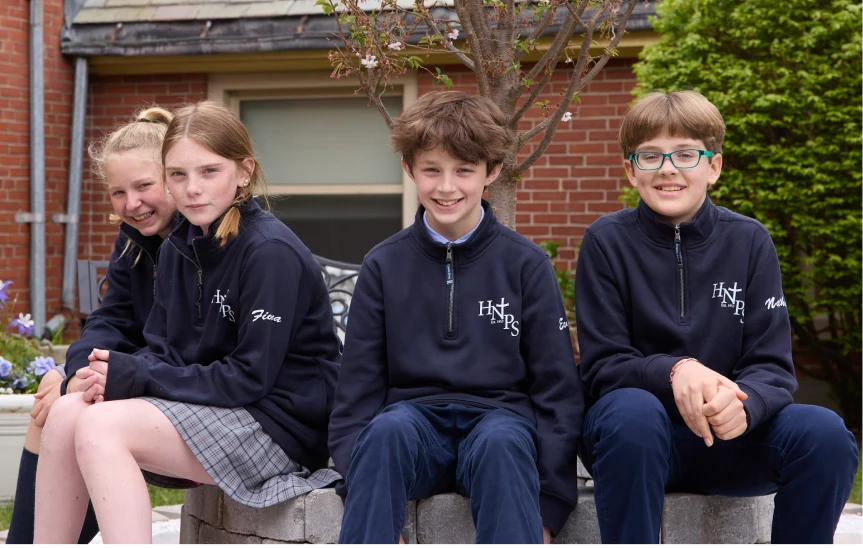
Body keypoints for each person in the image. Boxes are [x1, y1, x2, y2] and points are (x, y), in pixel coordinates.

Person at [33, 100, 341, 546]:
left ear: (243, 172)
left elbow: (249, 378)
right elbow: (165, 351)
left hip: (278, 428)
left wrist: (138, 376)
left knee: (101, 427)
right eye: (178, 174)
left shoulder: (269, 252)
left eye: (209, 171)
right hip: (212, 411)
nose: (192, 189)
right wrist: (103, 374)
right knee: (65, 413)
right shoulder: (181, 244)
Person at [575, 90, 859, 545]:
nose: (668, 168)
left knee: (824, 433)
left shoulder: (749, 241)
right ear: (631, 171)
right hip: (635, 441)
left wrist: (746, 407)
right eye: (650, 156)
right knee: (632, 413)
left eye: (686, 153)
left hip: (730, 438)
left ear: (714, 166)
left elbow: (772, 367)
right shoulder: (606, 242)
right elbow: (604, 365)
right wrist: (675, 370)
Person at [328, 91, 583, 545]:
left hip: (498, 426)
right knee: (386, 429)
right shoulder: (384, 264)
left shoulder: (525, 264)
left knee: (504, 441)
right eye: (432, 170)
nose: (447, 187)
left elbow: (557, 392)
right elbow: (356, 394)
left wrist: (547, 509)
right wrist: (364, 495)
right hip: (413, 430)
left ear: (492, 171)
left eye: (464, 170)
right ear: (409, 169)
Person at [4, 106, 176, 546]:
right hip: (137, 376)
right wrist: (75, 371)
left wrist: (100, 376)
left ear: (174, 176)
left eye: (144, 186)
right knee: (51, 404)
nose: (131, 204)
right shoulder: (133, 241)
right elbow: (108, 319)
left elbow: (179, 344)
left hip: (181, 388)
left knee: (74, 412)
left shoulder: (196, 244)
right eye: (118, 192)